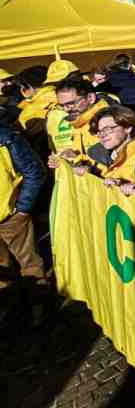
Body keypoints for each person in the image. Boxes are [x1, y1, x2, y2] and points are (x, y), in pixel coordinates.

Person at [0, 109, 48, 324]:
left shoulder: (6, 139)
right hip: (13, 213)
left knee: (29, 263)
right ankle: (10, 310)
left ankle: (40, 307)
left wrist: (22, 208)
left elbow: (35, 171)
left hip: (11, 217)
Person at [82, 106, 135, 196]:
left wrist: (133, 190)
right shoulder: (100, 157)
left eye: (107, 129)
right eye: (99, 131)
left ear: (128, 128)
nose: (102, 135)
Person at [48, 76, 112, 162]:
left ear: (90, 98)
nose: (66, 109)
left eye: (71, 103)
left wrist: (77, 159)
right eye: (62, 105)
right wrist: (66, 158)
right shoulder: (79, 121)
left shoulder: (108, 121)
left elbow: (113, 162)